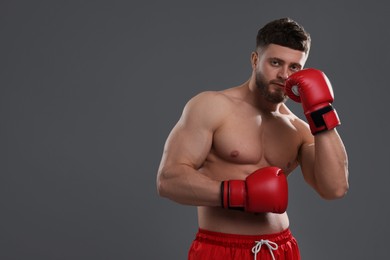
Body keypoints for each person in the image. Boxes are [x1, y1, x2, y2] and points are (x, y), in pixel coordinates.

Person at [156, 17, 349, 260]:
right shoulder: (211, 106)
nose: (283, 75)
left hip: (281, 249)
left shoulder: (299, 128)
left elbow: (335, 188)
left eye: (294, 68)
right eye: (276, 62)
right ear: (255, 60)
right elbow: (168, 180)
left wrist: (321, 111)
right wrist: (240, 194)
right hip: (222, 248)